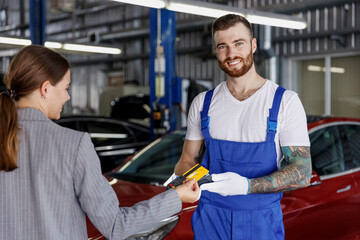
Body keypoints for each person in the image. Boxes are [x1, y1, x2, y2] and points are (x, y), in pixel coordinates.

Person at [0, 45, 200, 240]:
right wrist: (176, 197)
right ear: (45, 88)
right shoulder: (73, 145)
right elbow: (116, 226)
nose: (68, 97)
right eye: (66, 88)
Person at [173, 14, 312, 240]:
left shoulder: (285, 102)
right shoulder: (202, 104)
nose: (231, 54)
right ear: (215, 50)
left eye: (238, 43)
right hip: (210, 218)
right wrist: (190, 180)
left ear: (253, 45)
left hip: (261, 222)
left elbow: (302, 172)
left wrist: (247, 186)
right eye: (222, 46)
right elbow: (187, 160)